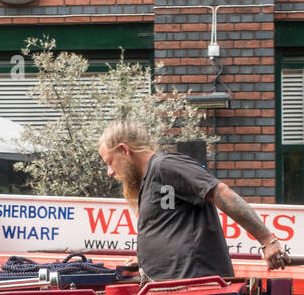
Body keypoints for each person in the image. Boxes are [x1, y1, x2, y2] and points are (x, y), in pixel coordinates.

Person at [97, 120, 289, 281]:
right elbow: (173, 225)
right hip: (174, 289)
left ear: (124, 150)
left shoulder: (165, 166)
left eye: (110, 162)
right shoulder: (153, 178)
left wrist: (267, 240)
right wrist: (147, 259)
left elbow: (220, 192)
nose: (110, 172)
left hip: (194, 288)